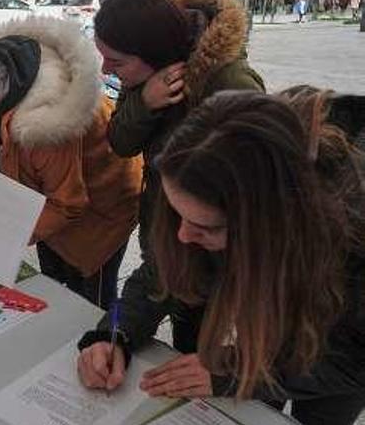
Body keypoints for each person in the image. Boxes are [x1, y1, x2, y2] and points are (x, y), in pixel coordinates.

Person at [76, 88, 365, 424]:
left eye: (206, 228)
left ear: (270, 227)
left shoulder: (352, 238)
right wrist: (114, 333)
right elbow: (160, 275)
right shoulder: (214, 179)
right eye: (177, 213)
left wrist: (238, 371)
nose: (183, 235)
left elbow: (354, 360)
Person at [0, 17, 143, 309]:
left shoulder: (45, 124)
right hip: (57, 196)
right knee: (55, 285)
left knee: (91, 303)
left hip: (103, 210)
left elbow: (68, 203)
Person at [95, 0, 264, 315]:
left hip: (211, 253)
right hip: (162, 234)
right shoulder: (140, 78)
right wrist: (144, 105)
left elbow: (258, 189)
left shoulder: (229, 82)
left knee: (195, 340)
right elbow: (120, 141)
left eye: (115, 61)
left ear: (153, 52)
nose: (104, 70)